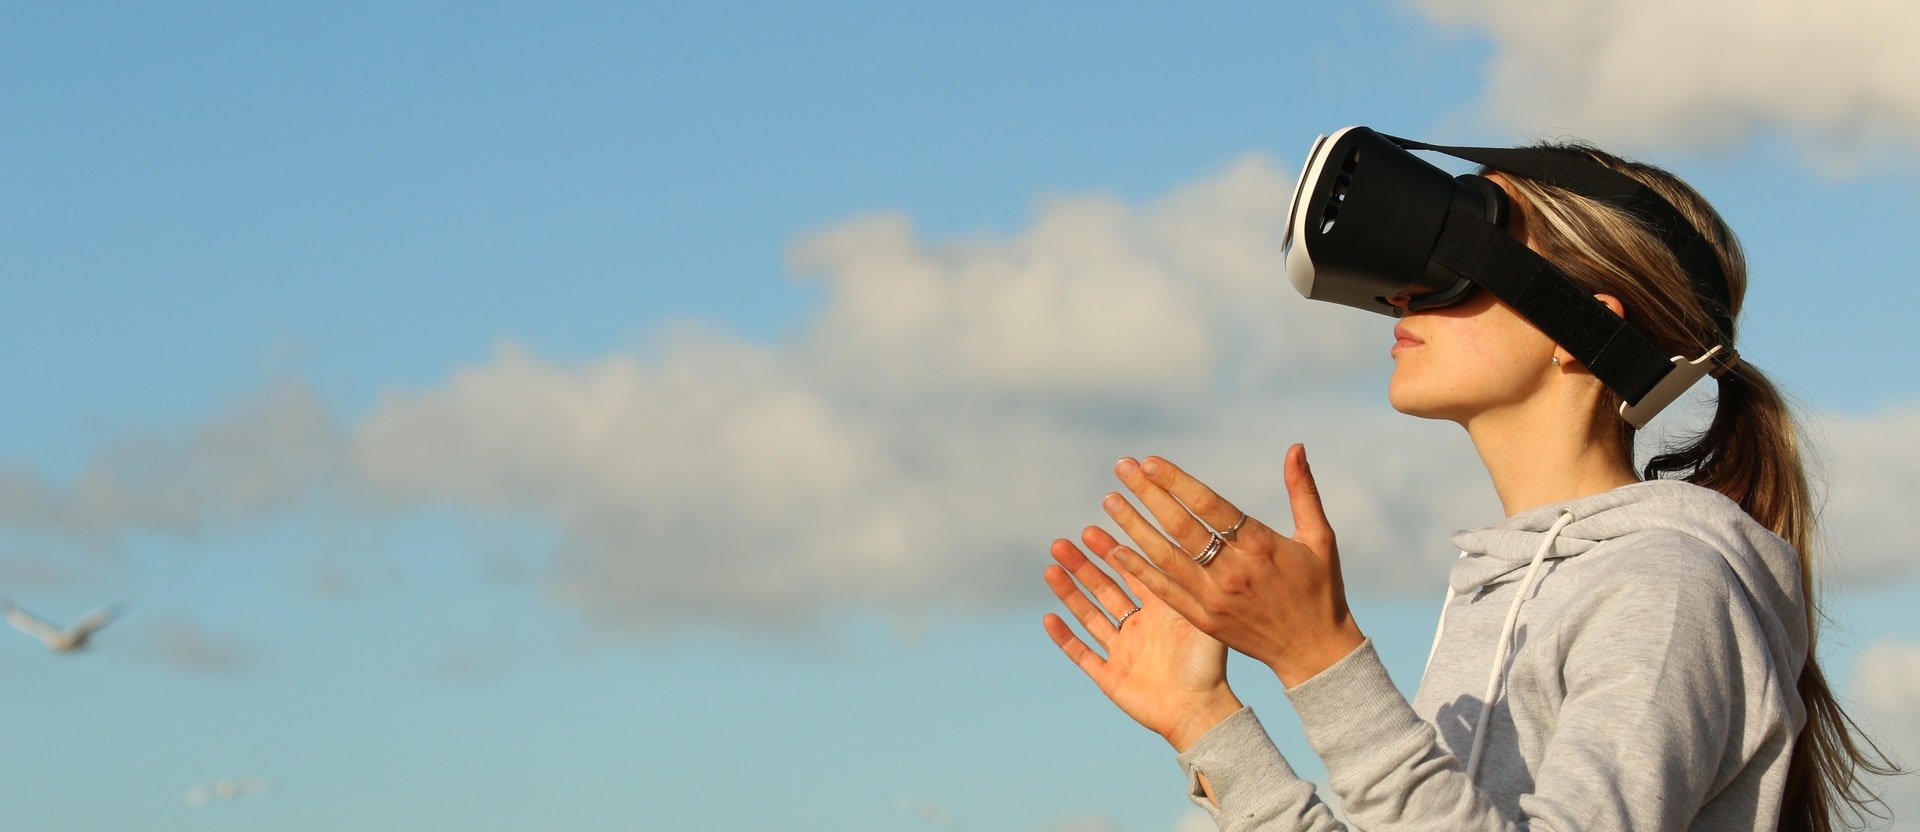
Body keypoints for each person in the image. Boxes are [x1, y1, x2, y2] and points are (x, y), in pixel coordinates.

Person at [1040, 140, 1897, 830]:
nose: (1405, 289)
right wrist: (1206, 722)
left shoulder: (1667, 588)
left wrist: (1320, 659)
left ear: (1583, 325)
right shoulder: (1498, 593)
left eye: (1458, 253)